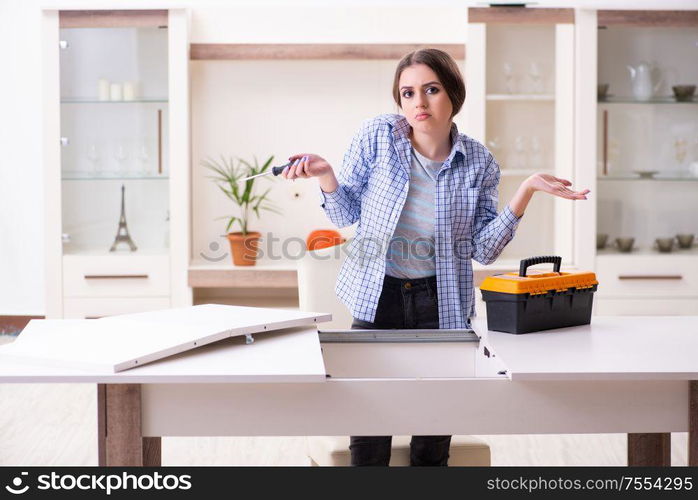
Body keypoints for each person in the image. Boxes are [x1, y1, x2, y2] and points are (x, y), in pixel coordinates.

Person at [281, 48, 589, 466]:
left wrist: (526, 191)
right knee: (369, 433)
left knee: (432, 438)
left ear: (453, 95)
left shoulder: (478, 161)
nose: (418, 103)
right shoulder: (377, 136)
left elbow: (483, 249)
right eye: (407, 93)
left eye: (431, 90)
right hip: (377, 297)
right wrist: (326, 176)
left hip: (441, 304)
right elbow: (346, 213)